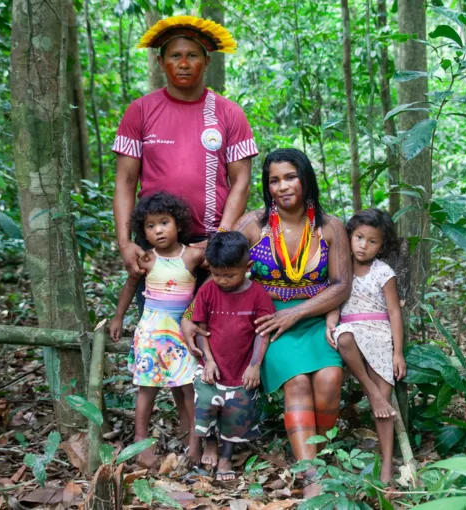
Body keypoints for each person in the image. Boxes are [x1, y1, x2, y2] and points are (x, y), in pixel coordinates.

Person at [112, 15, 258, 445]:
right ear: (161, 62)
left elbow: (241, 181)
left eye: (192, 54)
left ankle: (219, 435)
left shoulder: (228, 113)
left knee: (213, 336)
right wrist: (124, 241)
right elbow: (124, 181)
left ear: (206, 61)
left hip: (211, 246)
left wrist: (222, 240)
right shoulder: (140, 111)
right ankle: (182, 431)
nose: (183, 62)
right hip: (157, 246)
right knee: (163, 335)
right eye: (175, 55)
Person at [186, 148, 352, 478]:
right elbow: (220, 268)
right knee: (297, 383)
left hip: (315, 316)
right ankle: (311, 474)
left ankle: (322, 449)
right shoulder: (253, 224)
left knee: (330, 379)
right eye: (274, 180)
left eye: (290, 177)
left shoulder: (330, 227)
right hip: (265, 322)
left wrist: (298, 313)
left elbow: (341, 286)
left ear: (306, 178)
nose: (283, 186)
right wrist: (189, 314)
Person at [108, 192, 205, 469]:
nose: (158, 230)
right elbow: (130, 287)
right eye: (150, 226)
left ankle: (194, 441)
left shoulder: (194, 256)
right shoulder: (147, 259)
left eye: (164, 222)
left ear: (179, 223)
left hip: (182, 331)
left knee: (189, 387)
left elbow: (220, 272)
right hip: (152, 330)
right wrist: (118, 318)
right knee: (147, 387)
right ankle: (141, 444)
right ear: (144, 232)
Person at [325, 208, 406, 484]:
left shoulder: (384, 272)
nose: (363, 245)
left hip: (379, 333)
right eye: (359, 237)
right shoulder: (340, 266)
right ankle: (370, 390)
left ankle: (386, 465)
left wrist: (397, 352)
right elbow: (334, 300)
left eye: (373, 241)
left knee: (384, 405)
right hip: (350, 332)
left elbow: (395, 312)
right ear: (350, 235)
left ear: (382, 246)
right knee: (344, 336)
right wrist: (331, 323)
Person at [187, 231, 275, 481]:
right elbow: (201, 328)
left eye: (230, 275)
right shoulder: (207, 291)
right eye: (216, 274)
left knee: (236, 413)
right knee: (205, 404)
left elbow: (262, 333)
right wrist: (209, 360)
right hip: (212, 364)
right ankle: (210, 443)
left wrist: (255, 365)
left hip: (242, 368)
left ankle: (227, 455)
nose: (223, 280)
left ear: (247, 267)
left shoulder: (258, 294)